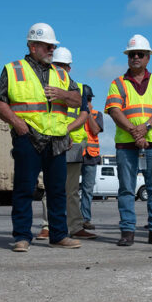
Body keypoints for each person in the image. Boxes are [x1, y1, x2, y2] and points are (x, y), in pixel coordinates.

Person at [0, 23, 82, 252]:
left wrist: (63, 94)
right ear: (33, 47)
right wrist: (16, 123)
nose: (52, 49)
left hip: (57, 140)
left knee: (57, 190)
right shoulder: (14, 69)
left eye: (53, 46)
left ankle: (59, 235)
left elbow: (78, 101)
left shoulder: (60, 74)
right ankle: (22, 236)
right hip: (28, 137)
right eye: (48, 46)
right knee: (24, 189)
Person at [104, 34, 152, 247]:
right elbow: (114, 111)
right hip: (127, 143)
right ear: (128, 57)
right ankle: (127, 230)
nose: (136, 57)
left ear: (148, 58)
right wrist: (135, 132)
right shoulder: (117, 83)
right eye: (132, 54)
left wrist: (145, 128)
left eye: (140, 54)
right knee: (126, 188)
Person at [51, 46, 96, 240]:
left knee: (72, 191)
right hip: (52, 141)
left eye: (63, 66)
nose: (61, 69)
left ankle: (75, 226)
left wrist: (66, 131)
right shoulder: (45, 85)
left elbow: (85, 113)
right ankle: (47, 225)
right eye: (57, 65)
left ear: (69, 68)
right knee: (51, 188)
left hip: (73, 145)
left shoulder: (78, 88)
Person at [79, 92, 103, 231]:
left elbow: (95, 130)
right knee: (71, 190)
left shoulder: (96, 114)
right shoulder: (74, 113)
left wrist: (86, 112)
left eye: (88, 100)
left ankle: (85, 219)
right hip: (76, 155)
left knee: (87, 190)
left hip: (91, 156)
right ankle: (72, 218)